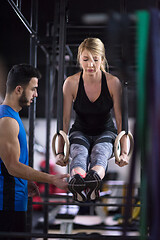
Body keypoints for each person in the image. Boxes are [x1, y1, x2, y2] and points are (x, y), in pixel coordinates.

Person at [0, 64, 69, 239]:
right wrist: (52, 178)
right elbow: (12, 166)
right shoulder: (7, 120)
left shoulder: (12, 116)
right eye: (33, 89)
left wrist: (27, 179)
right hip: (7, 206)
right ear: (18, 89)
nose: (36, 94)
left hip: (15, 202)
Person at [56, 38, 128, 202]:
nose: (90, 65)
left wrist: (124, 152)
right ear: (79, 58)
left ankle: (94, 179)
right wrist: (60, 151)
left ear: (102, 59)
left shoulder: (112, 83)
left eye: (95, 59)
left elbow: (121, 119)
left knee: (100, 152)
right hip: (80, 131)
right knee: (79, 153)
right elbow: (65, 119)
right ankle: (78, 182)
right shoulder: (71, 83)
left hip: (106, 132)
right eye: (86, 59)